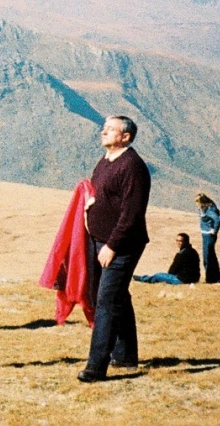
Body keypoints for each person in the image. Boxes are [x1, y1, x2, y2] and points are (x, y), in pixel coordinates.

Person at [79, 115, 151, 383]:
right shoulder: (105, 162)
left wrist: (112, 245)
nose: (104, 132)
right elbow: (102, 194)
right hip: (99, 240)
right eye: (104, 128)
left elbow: (131, 214)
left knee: (106, 302)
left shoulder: (132, 167)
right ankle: (125, 355)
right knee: (116, 297)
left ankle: (96, 367)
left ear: (126, 137)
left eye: (111, 130)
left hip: (120, 245)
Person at [134, 233, 200, 285]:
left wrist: (169, 275)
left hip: (183, 280)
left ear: (186, 241)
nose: (178, 243)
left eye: (181, 241)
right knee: (161, 275)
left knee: (158, 275)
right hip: (194, 279)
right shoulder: (193, 251)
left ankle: (142, 279)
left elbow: (173, 269)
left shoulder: (182, 254)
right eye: (177, 240)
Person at [196, 193, 220, 283]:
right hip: (205, 234)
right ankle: (216, 277)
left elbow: (217, 220)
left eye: (198, 202)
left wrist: (214, 230)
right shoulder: (204, 209)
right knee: (211, 256)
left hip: (209, 235)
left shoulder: (209, 210)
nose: (197, 204)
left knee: (207, 256)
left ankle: (210, 278)